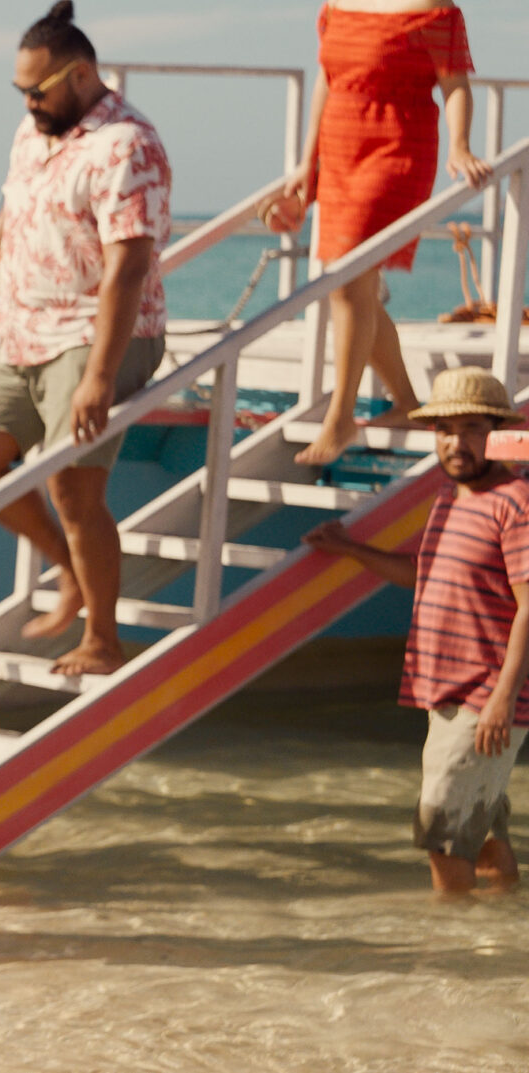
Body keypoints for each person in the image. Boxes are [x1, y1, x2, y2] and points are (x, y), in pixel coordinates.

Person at [0, 0, 171, 677]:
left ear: (81, 74)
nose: (28, 101)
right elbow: (8, 223)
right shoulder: (33, 135)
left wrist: (98, 376)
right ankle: (69, 568)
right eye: (21, 90)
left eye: (38, 88)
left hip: (101, 334)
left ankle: (103, 638)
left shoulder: (128, 145)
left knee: (73, 486)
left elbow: (129, 266)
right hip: (22, 332)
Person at [303, 366, 525, 900]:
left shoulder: (516, 503)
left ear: (496, 432)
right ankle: (503, 935)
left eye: (471, 428)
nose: (456, 442)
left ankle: (449, 951)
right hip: (445, 692)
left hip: (483, 699)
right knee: (482, 831)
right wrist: (354, 551)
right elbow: (424, 573)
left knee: (442, 836)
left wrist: (503, 698)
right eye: (445, 430)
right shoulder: (452, 499)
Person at [276, 0, 486, 467]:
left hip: (397, 146)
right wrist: (306, 166)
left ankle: (341, 416)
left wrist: (462, 146)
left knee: (347, 281)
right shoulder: (336, 7)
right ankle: (409, 404)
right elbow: (328, 84)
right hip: (340, 147)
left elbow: (455, 85)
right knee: (354, 289)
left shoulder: (435, 11)